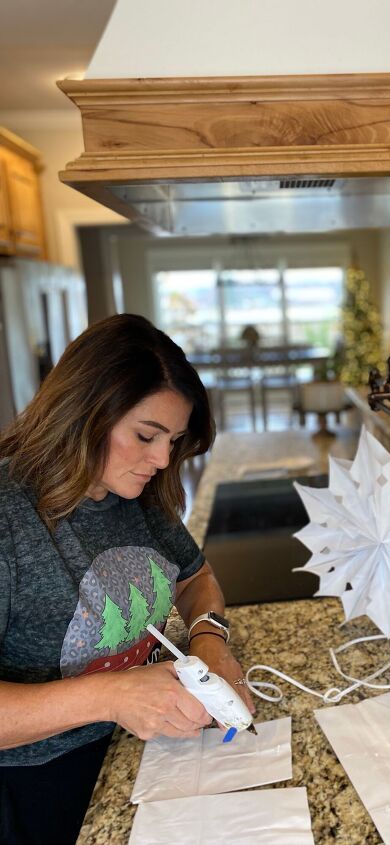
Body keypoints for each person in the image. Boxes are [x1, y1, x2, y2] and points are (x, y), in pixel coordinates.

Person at [0, 314, 255, 845]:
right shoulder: (9, 515)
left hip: (136, 749)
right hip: (34, 786)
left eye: (174, 440)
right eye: (146, 435)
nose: (162, 459)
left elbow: (196, 577)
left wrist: (209, 640)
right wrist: (110, 697)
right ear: (84, 412)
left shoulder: (131, 492)